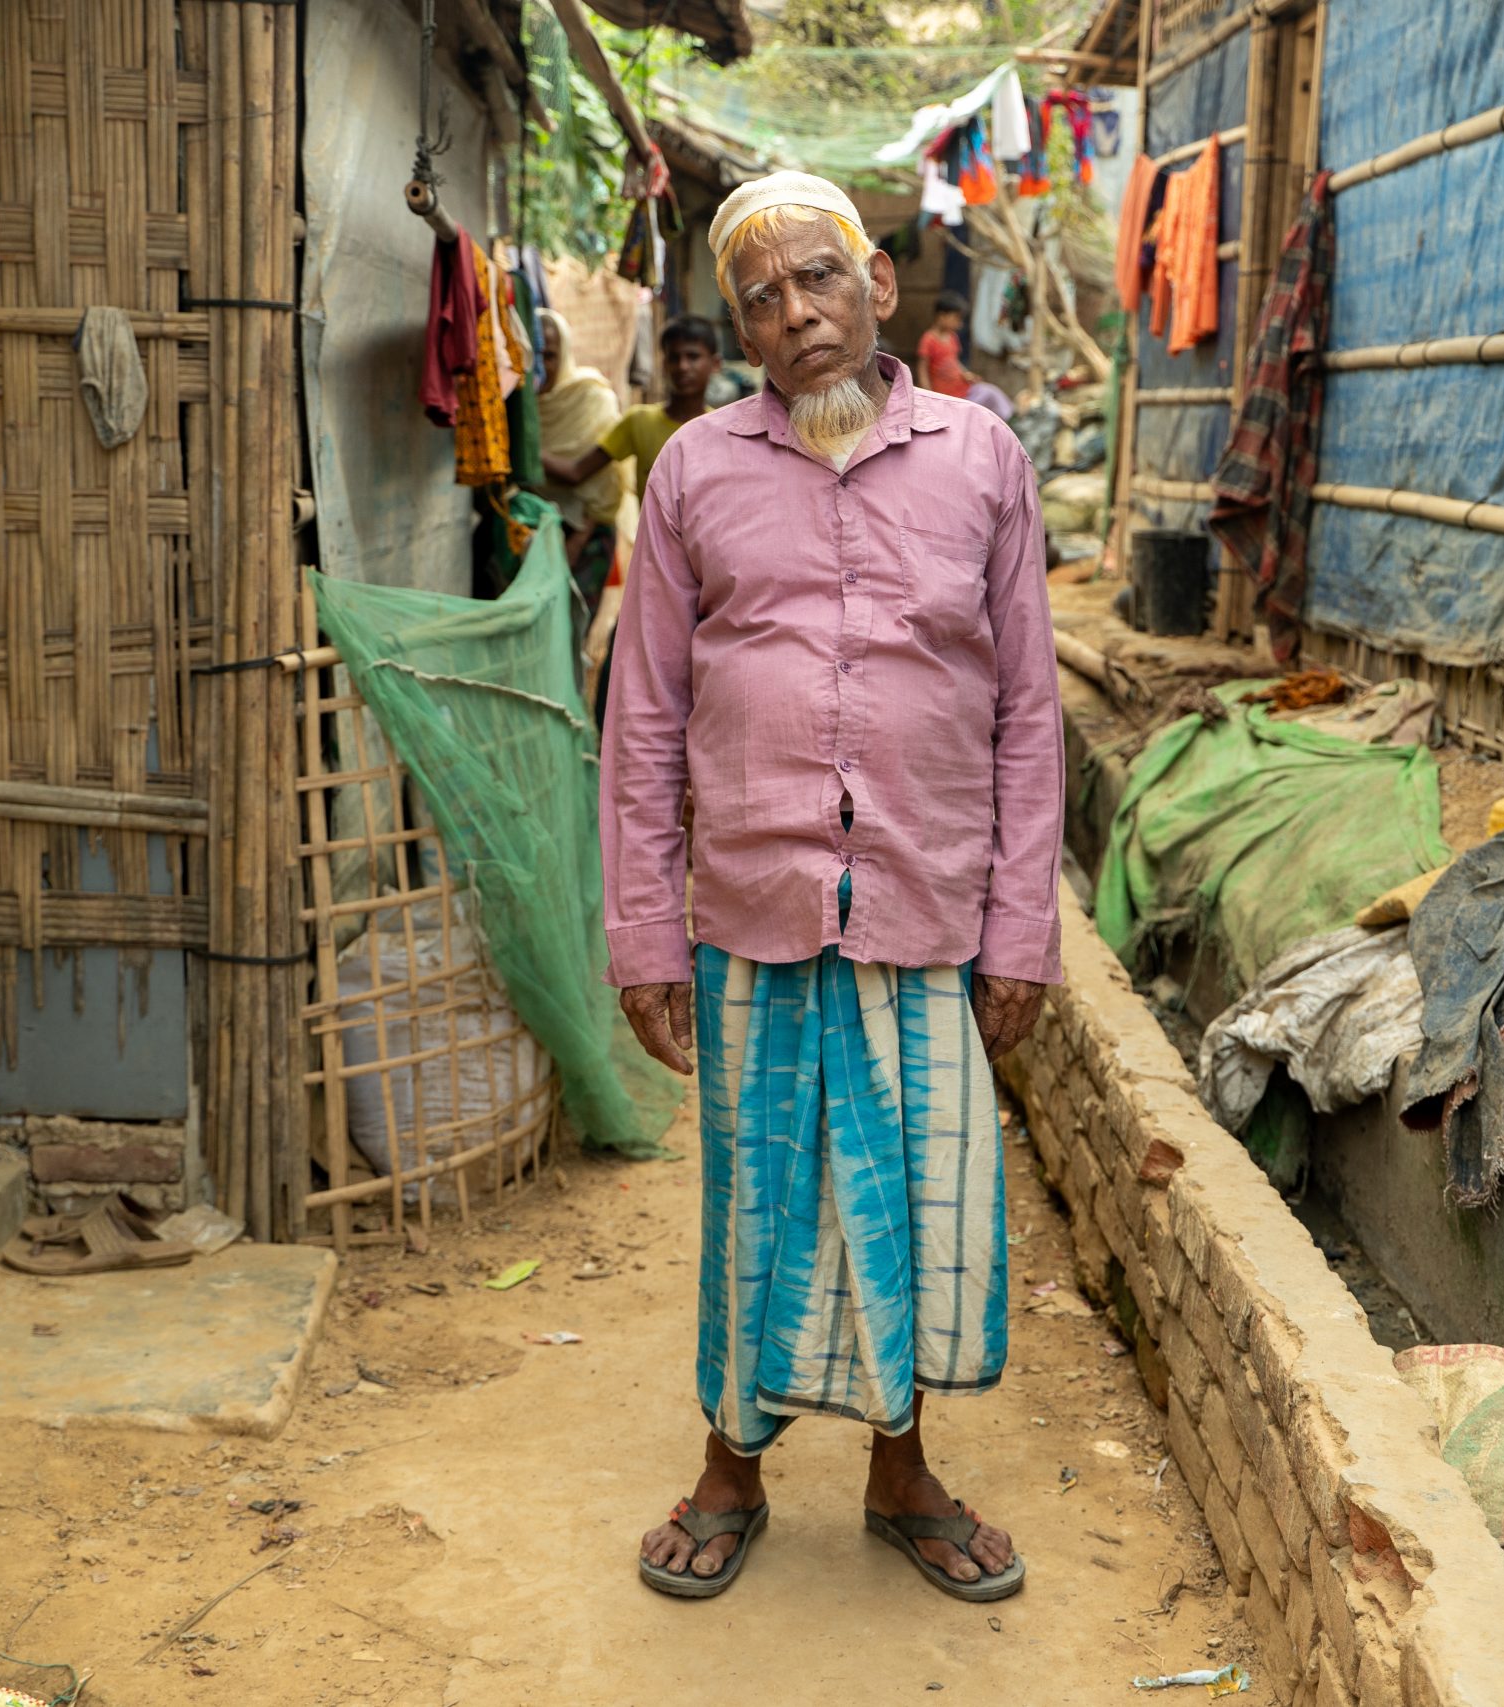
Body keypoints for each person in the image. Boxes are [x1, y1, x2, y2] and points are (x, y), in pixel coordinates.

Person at [602, 170, 1063, 1604]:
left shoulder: (984, 459)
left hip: (927, 906)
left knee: (911, 1207)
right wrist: (641, 935)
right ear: (737, 323)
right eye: (759, 295)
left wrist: (1023, 934)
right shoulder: (692, 472)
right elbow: (646, 721)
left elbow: (1032, 714)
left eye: (815, 277)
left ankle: (900, 1469)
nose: (793, 313)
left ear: (875, 277)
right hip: (753, 910)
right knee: (759, 1195)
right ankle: (731, 1464)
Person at [544, 314, 722, 501]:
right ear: (663, 364)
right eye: (674, 358)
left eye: (693, 357)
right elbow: (577, 472)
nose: (683, 366)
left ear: (715, 364)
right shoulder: (639, 421)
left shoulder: (721, 432)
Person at [529, 310, 629, 628]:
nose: (542, 367)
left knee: (572, 630)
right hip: (531, 530)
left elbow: (601, 481)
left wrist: (522, 451)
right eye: (535, 355)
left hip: (587, 532)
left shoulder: (590, 396)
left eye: (551, 356)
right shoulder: (520, 404)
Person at [915, 294, 975, 399]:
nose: (959, 324)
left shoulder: (952, 337)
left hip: (960, 389)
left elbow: (954, 361)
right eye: (956, 318)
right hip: (943, 395)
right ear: (942, 316)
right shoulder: (928, 339)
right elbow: (922, 370)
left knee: (987, 392)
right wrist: (928, 395)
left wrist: (965, 374)